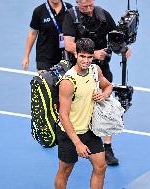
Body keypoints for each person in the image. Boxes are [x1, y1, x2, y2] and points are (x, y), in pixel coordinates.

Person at [62, 0, 131, 165]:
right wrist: (93, 54)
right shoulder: (71, 16)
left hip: (101, 69)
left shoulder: (102, 14)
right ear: (78, 3)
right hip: (80, 69)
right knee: (75, 107)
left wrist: (123, 47)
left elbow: (116, 37)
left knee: (106, 106)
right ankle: (74, 138)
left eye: (91, 4)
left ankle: (107, 147)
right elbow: (69, 45)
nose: (89, 8)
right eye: (85, 6)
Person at [55, 38, 113, 189]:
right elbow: (63, 115)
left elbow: (108, 86)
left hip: (89, 130)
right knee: (65, 171)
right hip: (69, 133)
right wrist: (78, 143)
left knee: (101, 166)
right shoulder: (68, 81)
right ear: (76, 55)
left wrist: (104, 95)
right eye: (82, 56)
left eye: (89, 57)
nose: (86, 61)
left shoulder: (95, 70)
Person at [22, 0, 72, 71]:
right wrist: (26, 56)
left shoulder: (69, 8)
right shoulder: (39, 11)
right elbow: (32, 33)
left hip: (65, 56)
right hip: (45, 58)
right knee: (44, 81)